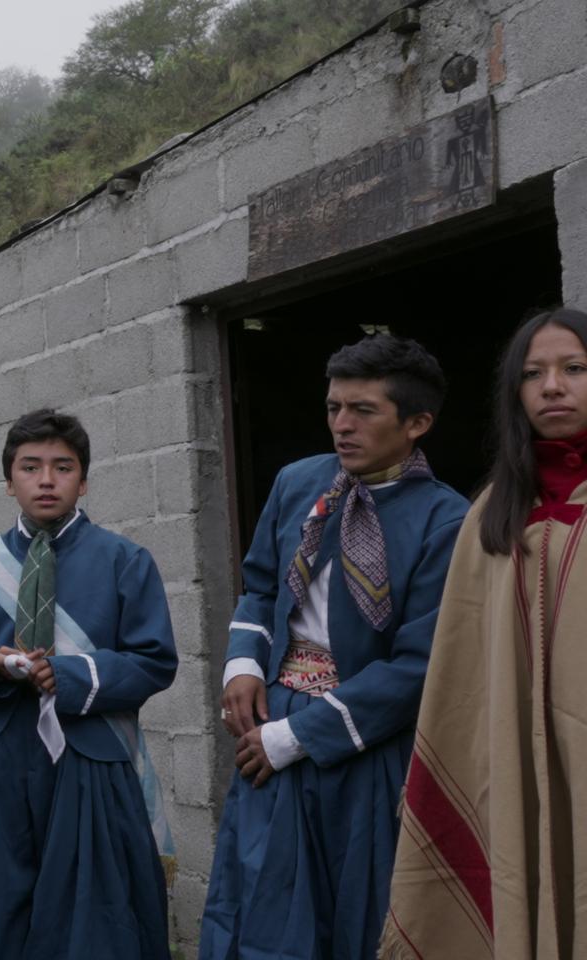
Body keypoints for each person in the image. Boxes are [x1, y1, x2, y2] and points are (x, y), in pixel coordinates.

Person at [199, 335, 470, 960]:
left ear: (418, 423)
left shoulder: (446, 520)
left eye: (364, 411)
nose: (341, 426)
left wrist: (297, 739)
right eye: (333, 408)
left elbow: (419, 664)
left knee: (358, 906)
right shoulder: (299, 484)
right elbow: (261, 584)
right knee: (260, 899)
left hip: (361, 746)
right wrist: (243, 664)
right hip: (269, 727)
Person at [0, 408, 177, 960]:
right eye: (31, 467)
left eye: (63, 466)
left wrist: (76, 674)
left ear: (84, 478)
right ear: (9, 482)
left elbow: (155, 662)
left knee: (92, 910)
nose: (47, 479)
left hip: (90, 760)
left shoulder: (124, 561)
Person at [381, 309, 587, 959]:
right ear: (514, 395)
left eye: (575, 369)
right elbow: (462, 690)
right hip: (515, 773)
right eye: (533, 374)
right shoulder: (489, 519)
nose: (553, 386)